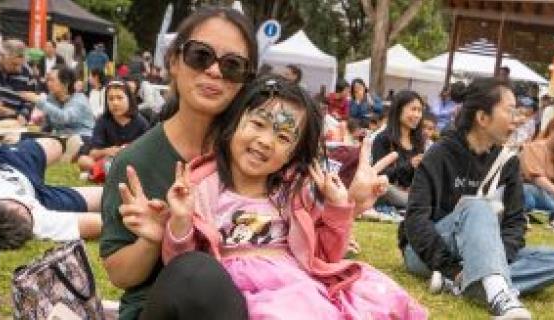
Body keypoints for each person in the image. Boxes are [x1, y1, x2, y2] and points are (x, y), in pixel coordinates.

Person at [101, 7, 394, 320]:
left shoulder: (271, 169)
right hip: (168, 306)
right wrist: (154, 237)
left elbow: (314, 243)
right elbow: (121, 276)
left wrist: (350, 205)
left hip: (282, 298)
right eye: (200, 56)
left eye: (232, 65)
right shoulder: (140, 161)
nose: (214, 71)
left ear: (247, 81)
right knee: (196, 272)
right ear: (174, 61)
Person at [158, 74, 426, 319]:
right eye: (259, 123)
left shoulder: (293, 191)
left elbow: (327, 254)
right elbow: (181, 268)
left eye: (284, 136)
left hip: (294, 284)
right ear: (234, 123)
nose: (265, 140)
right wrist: (180, 222)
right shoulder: (203, 186)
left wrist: (338, 207)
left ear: (293, 155)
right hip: (229, 292)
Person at [402, 77, 554, 320]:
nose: (517, 118)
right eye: (510, 110)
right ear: (482, 118)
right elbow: (416, 221)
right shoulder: (440, 154)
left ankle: (467, 284)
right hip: (428, 252)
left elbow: (515, 223)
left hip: (481, 250)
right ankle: (500, 297)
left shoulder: (508, 161)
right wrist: (452, 268)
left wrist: (493, 256)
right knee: (477, 206)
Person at [0, 137, 102, 247]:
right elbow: (101, 224)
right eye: (30, 214)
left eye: (25, 208)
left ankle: (63, 144)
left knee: (55, 145)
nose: (31, 207)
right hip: (42, 197)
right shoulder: (37, 221)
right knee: (107, 196)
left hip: (5, 163)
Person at [77, 80, 149, 175]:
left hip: (132, 162)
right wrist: (108, 151)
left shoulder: (141, 123)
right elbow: (93, 153)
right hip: (107, 160)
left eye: (120, 98)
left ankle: (108, 173)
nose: (115, 103)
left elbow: (148, 152)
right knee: (83, 160)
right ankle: (108, 172)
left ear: (129, 100)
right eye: (111, 99)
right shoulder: (102, 121)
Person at [372, 90, 425, 209]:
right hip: (389, 190)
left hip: (411, 192)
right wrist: (410, 165)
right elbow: (379, 175)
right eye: (413, 109)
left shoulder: (419, 141)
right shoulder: (383, 139)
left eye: (420, 110)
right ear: (399, 109)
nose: (417, 115)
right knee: (385, 187)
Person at [20, 65, 95, 139]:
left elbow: (64, 117)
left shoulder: (79, 99)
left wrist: (39, 101)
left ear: (65, 83)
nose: (48, 84)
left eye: (52, 80)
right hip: (61, 139)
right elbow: (47, 127)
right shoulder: (51, 98)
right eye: (48, 80)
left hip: (82, 139)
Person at [0, 39, 34, 145]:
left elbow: (30, 100)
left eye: (21, 64)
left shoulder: (26, 71)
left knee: (15, 145)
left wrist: (24, 115)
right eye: (14, 64)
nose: (18, 69)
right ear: (1, 57)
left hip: (11, 122)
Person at [520, 115, 554, 215]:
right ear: (552, 129)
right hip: (529, 188)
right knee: (530, 193)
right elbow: (536, 178)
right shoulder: (533, 147)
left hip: (547, 194)